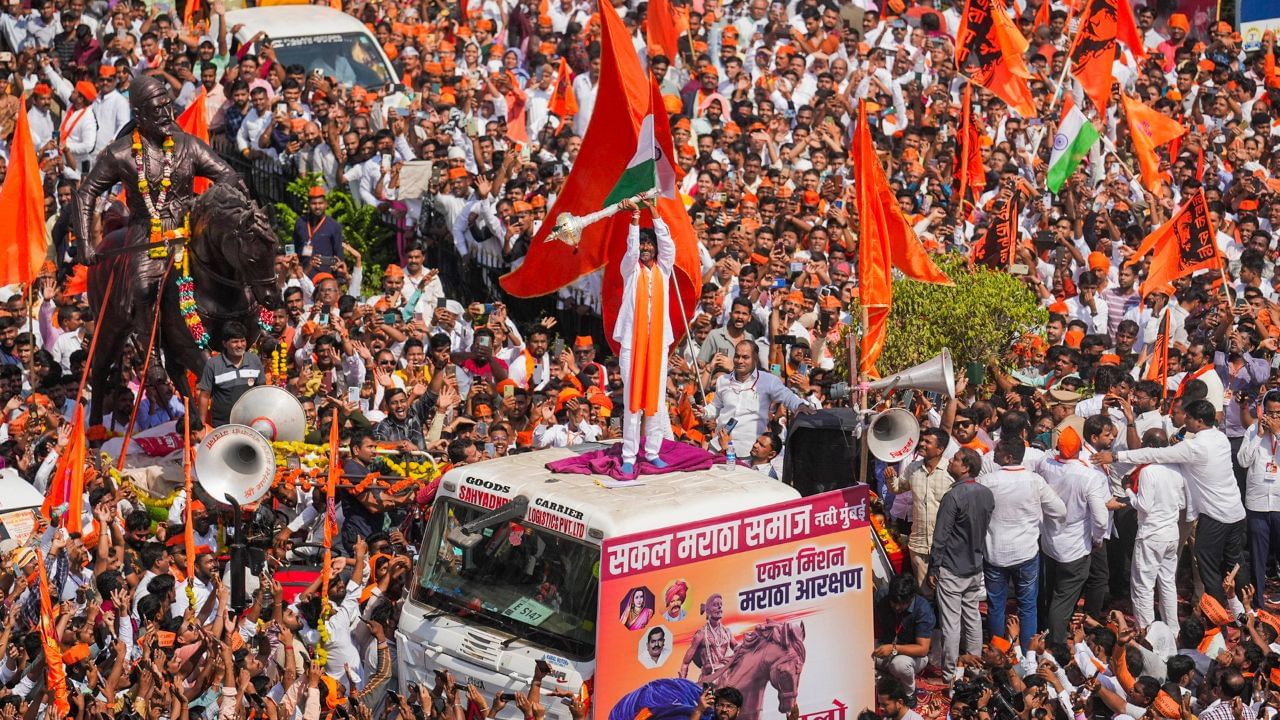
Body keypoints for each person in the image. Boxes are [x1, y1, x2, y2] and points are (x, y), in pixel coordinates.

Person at [1096, 399, 1246, 604]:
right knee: (1234, 563)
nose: (1186, 420)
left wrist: (1115, 456)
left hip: (1215, 517)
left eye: (1189, 418)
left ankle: (1216, 616)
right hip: (1237, 514)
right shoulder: (1220, 438)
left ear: (1199, 421)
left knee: (1207, 566)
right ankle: (1248, 610)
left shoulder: (1195, 447)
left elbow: (1153, 453)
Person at [979, 439, 1066, 648]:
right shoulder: (1034, 481)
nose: (993, 454)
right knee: (1027, 606)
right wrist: (1042, 526)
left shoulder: (987, 481)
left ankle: (998, 651)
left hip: (995, 553)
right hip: (1025, 553)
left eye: (997, 451)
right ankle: (1029, 652)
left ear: (1009, 457)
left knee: (996, 605)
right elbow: (1060, 511)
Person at [611, 197, 675, 475]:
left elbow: (669, 245)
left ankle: (652, 452)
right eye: (644, 245)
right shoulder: (630, 269)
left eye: (651, 245)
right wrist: (635, 221)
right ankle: (629, 455)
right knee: (633, 400)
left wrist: (655, 213)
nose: (647, 249)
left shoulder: (664, 270)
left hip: (658, 343)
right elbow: (631, 248)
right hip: (631, 343)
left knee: (657, 401)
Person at [1038, 418, 1112, 642]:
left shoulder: (1046, 465)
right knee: (1063, 600)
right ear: (1080, 449)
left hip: (1050, 542)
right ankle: (1056, 645)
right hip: (1075, 547)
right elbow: (1100, 518)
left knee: (1051, 593)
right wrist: (1098, 538)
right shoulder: (1088, 477)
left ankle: (1045, 633)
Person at [927, 447, 992, 681]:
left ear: (965, 468)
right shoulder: (986, 494)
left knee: (951, 623)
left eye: (955, 459)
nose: (950, 462)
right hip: (974, 567)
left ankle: (950, 674)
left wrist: (934, 567)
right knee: (972, 618)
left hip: (952, 568)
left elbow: (941, 536)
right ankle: (974, 668)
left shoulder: (953, 496)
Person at [1120, 427, 1185, 627]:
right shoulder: (1176, 468)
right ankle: (1173, 629)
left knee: (1143, 587)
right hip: (1171, 534)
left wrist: (1129, 490)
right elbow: (1181, 503)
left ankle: (1147, 633)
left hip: (1151, 534)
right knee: (1167, 583)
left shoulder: (1149, 471)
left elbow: (1144, 506)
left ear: (1149, 447)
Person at [710, 339, 815, 452]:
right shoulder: (723, 380)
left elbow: (787, 396)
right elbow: (715, 407)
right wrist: (704, 411)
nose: (739, 361)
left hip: (748, 451)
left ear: (755, 359)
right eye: (737, 356)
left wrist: (799, 405)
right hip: (718, 446)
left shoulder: (768, 380)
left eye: (745, 357)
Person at [885, 428, 952, 587]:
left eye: (928, 442)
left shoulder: (951, 470)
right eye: (922, 440)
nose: (921, 443)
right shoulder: (913, 468)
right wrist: (889, 478)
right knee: (924, 592)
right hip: (919, 544)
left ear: (940, 449)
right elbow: (897, 488)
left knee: (946, 592)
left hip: (945, 546)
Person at [1235, 389, 1280, 607]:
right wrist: (1260, 435)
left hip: (1279, 503)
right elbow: (1243, 461)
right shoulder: (1254, 430)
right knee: (1257, 557)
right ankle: (1258, 604)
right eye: (1270, 413)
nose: (1273, 418)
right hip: (1258, 503)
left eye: (1278, 414)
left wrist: (1278, 434)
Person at [872, 574, 934, 693]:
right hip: (886, 646)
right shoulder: (881, 596)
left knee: (899, 665)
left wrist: (893, 648)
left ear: (911, 598)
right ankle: (888, 680)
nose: (896, 607)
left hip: (912, 656)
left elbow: (923, 649)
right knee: (860, 653)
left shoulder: (922, 608)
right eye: (893, 602)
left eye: (901, 604)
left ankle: (909, 693)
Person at [196, 321, 264, 429]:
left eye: (242, 341)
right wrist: (201, 426)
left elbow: (262, 391)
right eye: (235, 342)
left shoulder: (254, 360)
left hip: (251, 425)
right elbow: (204, 396)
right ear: (224, 343)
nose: (240, 345)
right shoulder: (213, 364)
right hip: (223, 426)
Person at [679, 593, 735, 681]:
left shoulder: (727, 632)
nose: (719, 607)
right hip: (707, 680)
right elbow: (685, 663)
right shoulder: (701, 634)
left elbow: (739, 649)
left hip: (724, 678)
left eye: (721, 605)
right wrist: (682, 683)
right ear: (708, 610)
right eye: (715, 605)